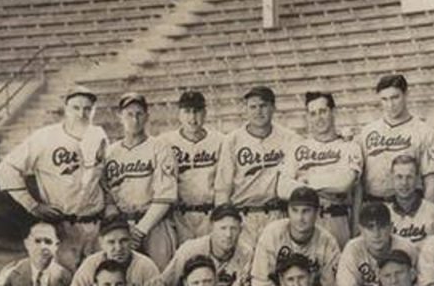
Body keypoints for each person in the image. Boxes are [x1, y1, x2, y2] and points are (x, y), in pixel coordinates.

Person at [0, 86, 107, 269]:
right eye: (75, 108)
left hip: (96, 226)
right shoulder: (45, 137)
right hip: (62, 228)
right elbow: (7, 168)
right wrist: (32, 205)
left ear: (94, 111)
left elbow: (102, 177)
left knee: (97, 283)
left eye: (87, 109)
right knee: (62, 285)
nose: (81, 114)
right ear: (65, 109)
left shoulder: (98, 135)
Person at [214, 85, 298, 253]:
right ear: (245, 110)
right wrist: (225, 223)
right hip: (244, 216)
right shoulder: (233, 140)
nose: (258, 111)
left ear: (273, 108)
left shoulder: (290, 138)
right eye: (253, 107)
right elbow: (222, 189)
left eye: (263, 105)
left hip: (277, 213)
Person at [102, 93, 178, 270]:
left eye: (139, 114)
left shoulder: (160, 146)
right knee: (122, 276)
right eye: (129, 114)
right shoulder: (110, 152)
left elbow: (166, 195)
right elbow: (108, 196)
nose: (134, 119)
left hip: (155, 224)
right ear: (120, 116)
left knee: (159, 276)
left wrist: (140, 230)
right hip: (122, 223)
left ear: (147, 116)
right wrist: (119, 226)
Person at [278, 91, 362, 248]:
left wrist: (305, 181)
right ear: (308, 117)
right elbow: (282, 189)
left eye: (323, 111)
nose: (318, 118)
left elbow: (344, 183)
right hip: (304, 223)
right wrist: (328, 181)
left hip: (336, 219)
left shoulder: (349, 146)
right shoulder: (298, 148)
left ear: (333, 112)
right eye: (313, 114)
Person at [355, 74, 434, 210]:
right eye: (384, 99)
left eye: (395, 98)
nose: (390, 105)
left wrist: (426, 213)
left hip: (410, 205)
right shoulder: (367, 132)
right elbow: (359, 183)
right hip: (374, 203)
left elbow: (431, 181)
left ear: (406, 94)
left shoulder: (424, 131)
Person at [64, 215, 166, 286]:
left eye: (124, 241)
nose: (118, 248)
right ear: (101, 243)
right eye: (111, 242)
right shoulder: (91, 265)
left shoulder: (146, 267)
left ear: (131, 240)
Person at [250, 186, 341, 286]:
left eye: (306, 211)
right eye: (295, 210)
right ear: (288, 211)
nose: (300, 218)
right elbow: (260, 280)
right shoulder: (272, 234)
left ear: (317, 212)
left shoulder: (327, 242)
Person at [159, 89, 224, 243]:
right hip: (179, 216)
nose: (192, 118)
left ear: (205, 113)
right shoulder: (164, 142)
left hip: (209, 214)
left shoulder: (220, 140)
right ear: (179, 114)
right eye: (187, 111)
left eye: (197, 111)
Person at [161, 204, 254, 286]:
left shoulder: (246, 254)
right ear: (211, 228)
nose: (228, 235)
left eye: (233, 229)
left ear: (240, 230)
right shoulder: (190, 250)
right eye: (223, 228)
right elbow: (165, 285)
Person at [337, 201, 419, 286]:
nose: (376, 234)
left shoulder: (406, 248)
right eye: (370, 228)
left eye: (381, 227)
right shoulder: (352, 250)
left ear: (391, 227)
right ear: (361, 230)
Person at [388, 154, 434, 245]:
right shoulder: (385, 214)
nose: (404, 183)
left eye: (409, 177)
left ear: (417, 179)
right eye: (399, 177)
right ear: (392, 179)